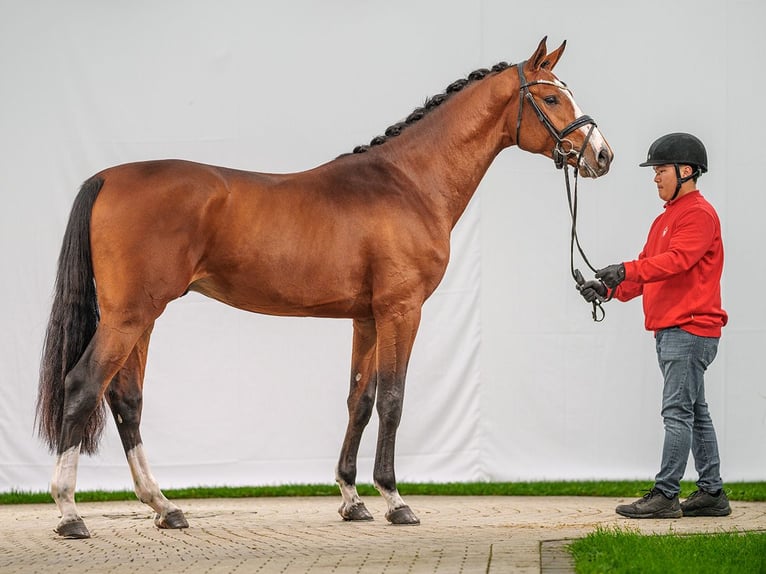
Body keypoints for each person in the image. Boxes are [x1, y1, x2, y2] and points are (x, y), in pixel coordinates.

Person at [578, 132, 731, 519]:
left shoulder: (699, 215)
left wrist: (625, 269)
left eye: (660, 170)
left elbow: (676, 261)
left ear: (685, 170)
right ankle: (712, 492)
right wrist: (609, 289)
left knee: (677, 412)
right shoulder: (665, 219)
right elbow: (648, 271)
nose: (655, 177)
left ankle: (665, 495)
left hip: (689, 330)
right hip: (674, 330)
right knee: (695, 410)